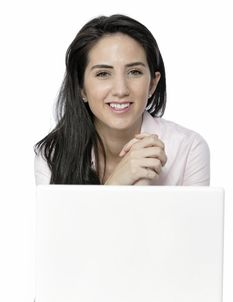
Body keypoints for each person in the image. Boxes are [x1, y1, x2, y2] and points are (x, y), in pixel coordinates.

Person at [34, 14, 210, 186]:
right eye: (103, 74)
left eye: (134, 72)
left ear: (152, 84)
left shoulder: (189, 149)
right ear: (81, 88)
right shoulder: (52, 154)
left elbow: (195, 217)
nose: (121, 90)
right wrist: (118, 182)